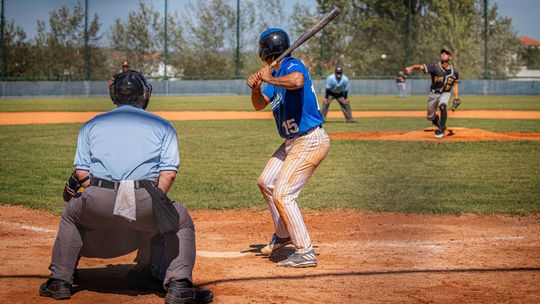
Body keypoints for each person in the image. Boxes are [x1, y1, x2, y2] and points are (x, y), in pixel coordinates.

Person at [40, 70, 212, 304]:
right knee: (179, 220)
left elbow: (81, 172)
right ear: (144, 95)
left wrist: (103, 194)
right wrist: (154, 201)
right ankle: (179, 286)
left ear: (114, 96)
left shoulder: (92, 124)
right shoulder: (163, 125)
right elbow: (169, 173)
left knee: (71, 215)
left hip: (98, 197)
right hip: (143, 197)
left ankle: (60, 281)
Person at [246, 28, 330, 268]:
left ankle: (305, 252)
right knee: (266, 181)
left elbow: (298, 81)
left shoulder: (292, 65)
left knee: (283, 193)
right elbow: (259, 104)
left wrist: (268, 77)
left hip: (310, 139)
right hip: (292, 142)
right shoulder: (275, 72)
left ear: (264, 52)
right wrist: (256, 88)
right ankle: (283, 234)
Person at [405, 49, 460, 138]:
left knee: (443, 106)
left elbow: (455, 85)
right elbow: (421, 67)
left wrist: (456, 97)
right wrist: (412, 68)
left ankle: (441, 130)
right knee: (430, 117)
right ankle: (436, 120)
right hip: (434, 94)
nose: (443, 54)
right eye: (442, 53)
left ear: (450, 57)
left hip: (445, 93)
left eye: (446, 54)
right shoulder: (434, 67)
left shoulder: (454, 71)